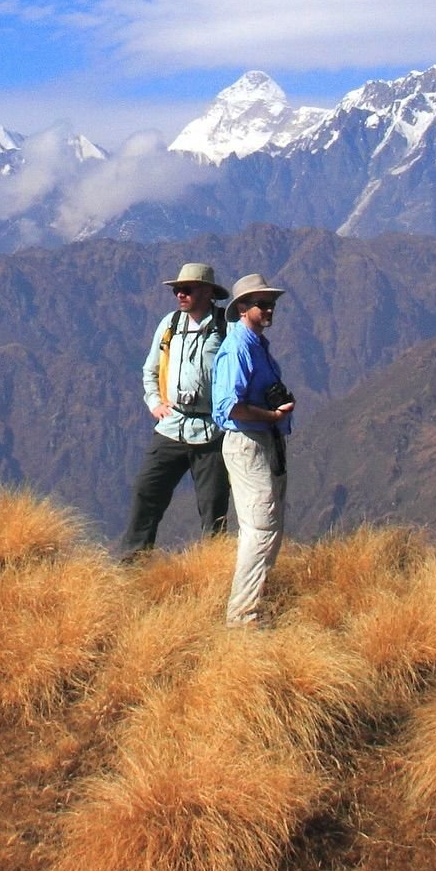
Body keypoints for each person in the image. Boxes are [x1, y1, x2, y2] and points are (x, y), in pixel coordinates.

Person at [117, 263, 231, 560]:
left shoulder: (225, 327)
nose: (180, 294)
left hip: (212, 432)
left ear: (207, 292)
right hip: (171, 426)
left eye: (187, 289)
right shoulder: (170, 324)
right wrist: (154, 402)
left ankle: (212, 566)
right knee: (147, 492)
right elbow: (150, 369)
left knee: (213, 506)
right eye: (177, 289)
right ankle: (133, 562)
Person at [211, 272, 295, 627]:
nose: (269, 309)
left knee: (269, 526)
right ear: (243, 308)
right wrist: (271, 414)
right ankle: (243, 617)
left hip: (264, 441)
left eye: (271, 303)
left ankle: (256, 603)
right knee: (260, 528)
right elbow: (229, 406)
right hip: (249, 442)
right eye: (262, 304)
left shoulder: (257, 344)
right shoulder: (239, 347)